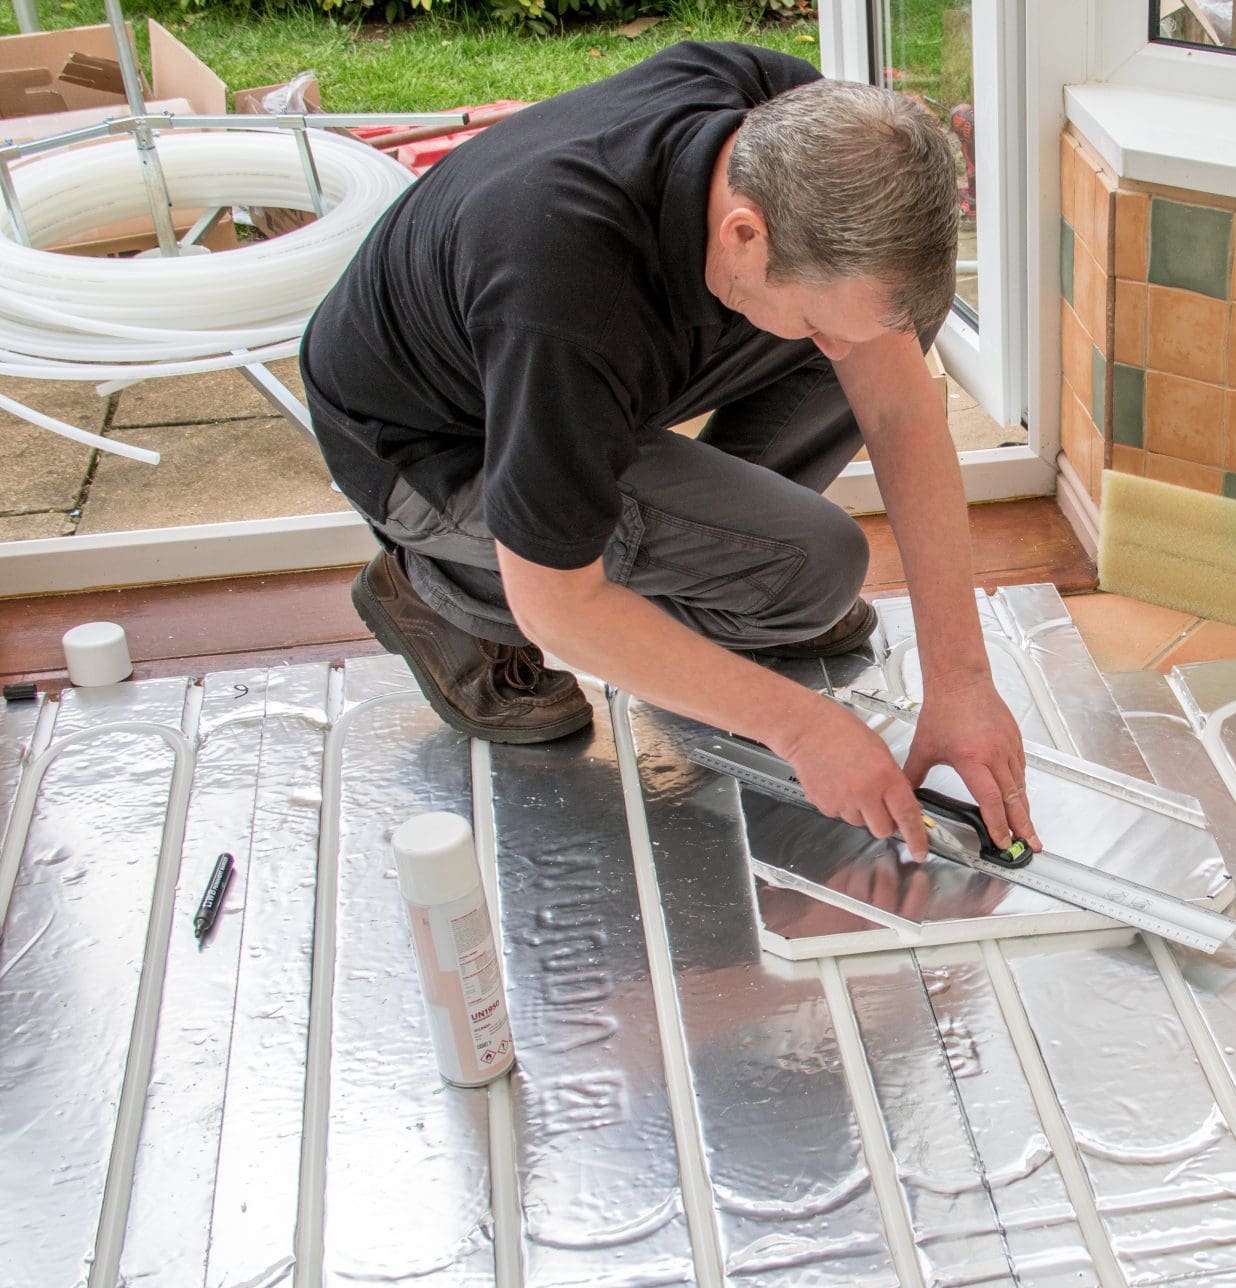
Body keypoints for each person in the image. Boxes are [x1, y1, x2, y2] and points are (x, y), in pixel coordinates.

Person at [302, 41, 1036, 862]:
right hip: (430, 448)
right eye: (814, 321)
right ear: (744, 232)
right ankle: (439, 586)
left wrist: (963, 680)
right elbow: (558, 606)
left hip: (556, 378)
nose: (831, 347)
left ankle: (711, 561)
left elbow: (899, 404)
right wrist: (799, 726)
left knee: (882, 332)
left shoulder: (788, 125)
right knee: (814, 569)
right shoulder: (564, 292)